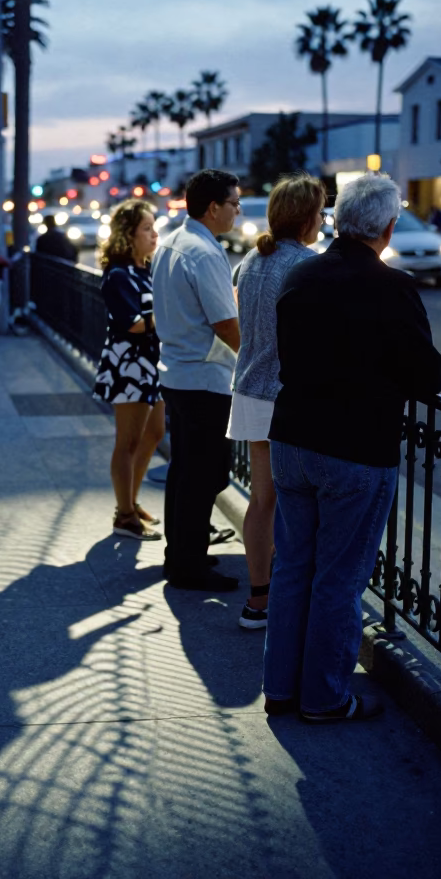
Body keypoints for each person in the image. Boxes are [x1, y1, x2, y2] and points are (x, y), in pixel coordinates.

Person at [263, 173, 441, 722]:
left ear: (338, 220)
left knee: (293, 567)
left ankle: (280, 688)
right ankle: (324, 697)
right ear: (387, 228)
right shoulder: (392, 287)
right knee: (339, 580)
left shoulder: (301, 276)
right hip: (355, 450)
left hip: (292, 440)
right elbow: (425, 378)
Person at [229, 174, 326, 630]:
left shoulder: (251, 260)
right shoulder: (308, 264)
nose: (324, 219)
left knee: (262, 500)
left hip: (250, 389)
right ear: (307, 218)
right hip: (289, 398)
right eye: (321, 211)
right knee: (300, 504)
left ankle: (259, 600)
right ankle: (297, 602)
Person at [151, 168, 242, 591]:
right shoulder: (204, 253)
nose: (238, 211)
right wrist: (253, 359)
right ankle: (189, 563)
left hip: (176, 370)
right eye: (234, 204)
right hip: (204, 377)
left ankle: (182, 554)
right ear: (213, 208)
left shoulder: (171, 241)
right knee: (205, 474)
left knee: (185, 470)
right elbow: (226, 322)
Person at [93, 199, 165, 541]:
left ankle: (131, 503)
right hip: (128, 365)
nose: (154, 234)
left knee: (154, 434)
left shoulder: (145, 269)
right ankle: (124, 514)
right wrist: (169, 317)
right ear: (128, 235)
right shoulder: (119, 274)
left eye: (154, 227)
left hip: (151, 363)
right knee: (129, 441)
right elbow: (134, 324)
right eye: (147, 229)